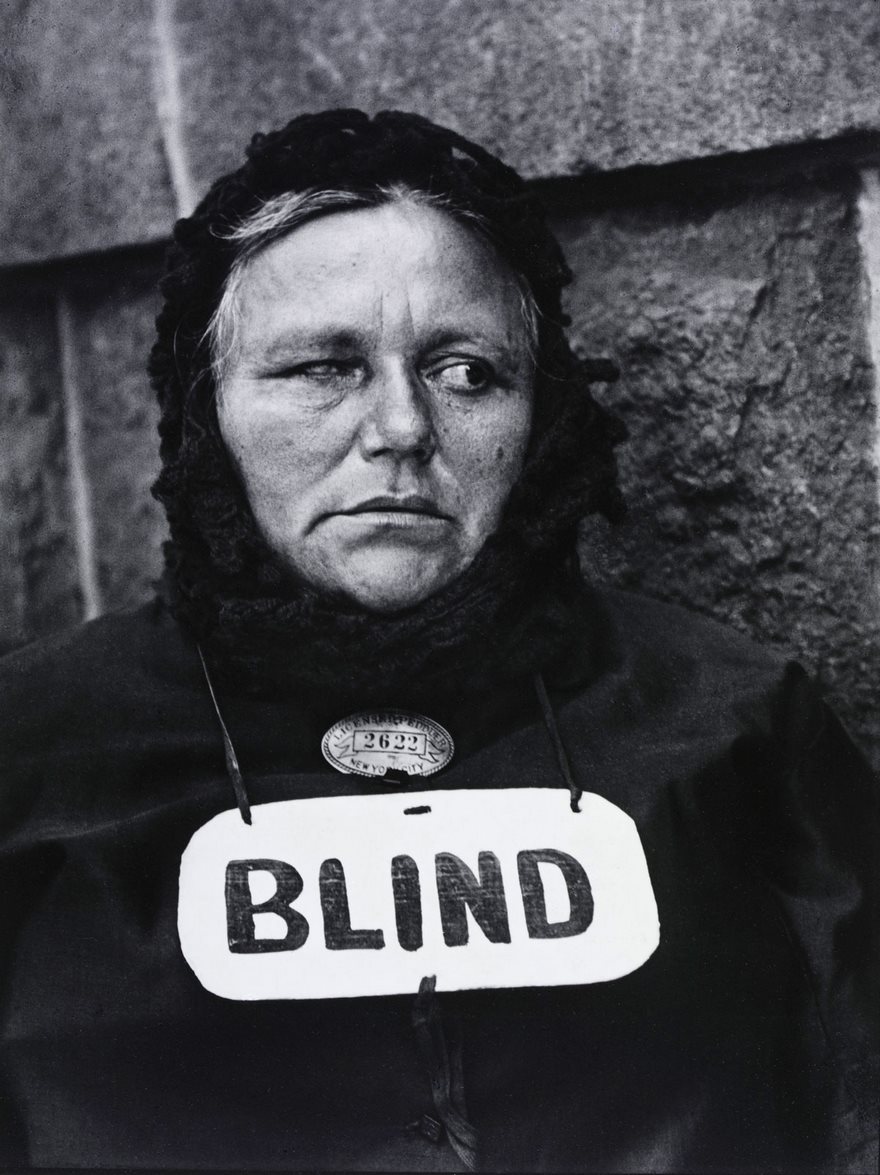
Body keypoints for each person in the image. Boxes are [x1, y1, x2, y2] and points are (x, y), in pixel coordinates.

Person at [0, 109, 876, 1173]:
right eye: (323, 367)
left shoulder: (730, 719)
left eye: (467, 371)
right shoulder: (36, 754)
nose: (403, 429)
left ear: (537, 411)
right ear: (205, 410)